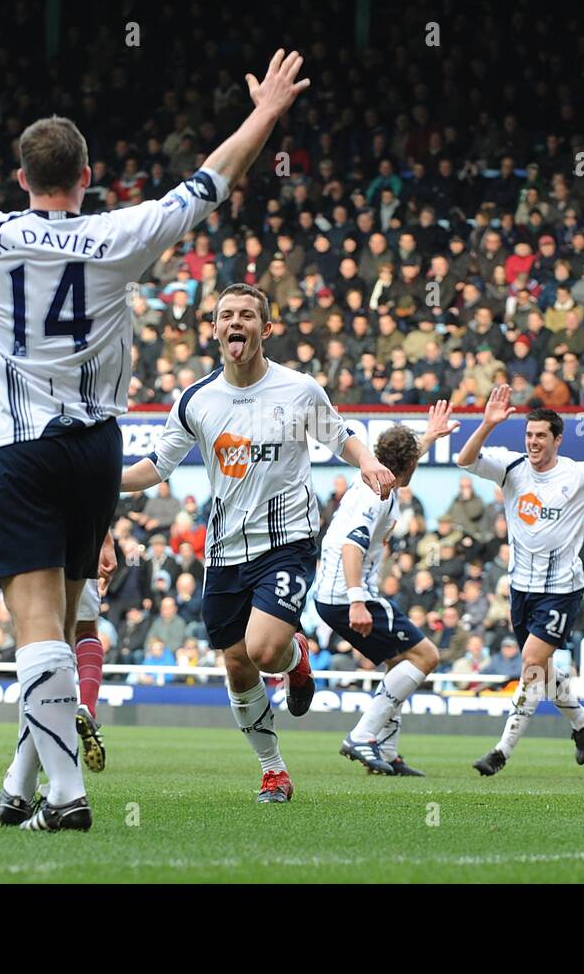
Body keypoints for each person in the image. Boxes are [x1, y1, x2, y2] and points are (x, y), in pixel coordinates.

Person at [0, 43, 316, 830]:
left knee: (38, 631)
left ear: (20, 179)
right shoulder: (121, 234)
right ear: (86, 178)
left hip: (21, 450)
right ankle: (19, 786)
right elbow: (212, 182)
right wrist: (266, 111)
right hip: (96, 454)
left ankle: (68, 796)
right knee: (70, 618)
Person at [120, 283, 394, 803]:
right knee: (237, 662)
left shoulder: (299, 389)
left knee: (265, 649)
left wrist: (367, 461)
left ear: (264, 329)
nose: (235, 323)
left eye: (247, 315)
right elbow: (157, 468)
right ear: (216, 329)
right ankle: (274, 770)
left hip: (286, 541)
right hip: (223, 551)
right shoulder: (195, 400)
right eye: (226, 316)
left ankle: (291, 658)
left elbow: (340, 435)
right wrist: (102, 478)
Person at [456, 387, 584, 777]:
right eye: (529, 435)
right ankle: (583, 719)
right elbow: (464, 459)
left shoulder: (579, 473)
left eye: (541, 436)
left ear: (557, 439)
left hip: (561, 590)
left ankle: (501, 751)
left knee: (532, 663)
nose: (533, 442)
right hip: (521, 588)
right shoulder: (511, 466)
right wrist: (487, 424)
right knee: (542, 667)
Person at [314, 405, 455, 776]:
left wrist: (428, 437)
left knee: (399, 662)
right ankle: (361, 736)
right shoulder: (376, 494)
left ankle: (387, 753)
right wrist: (358, 601)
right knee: (426, 657)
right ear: (408, 466)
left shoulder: (382, 473)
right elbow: (350, 546)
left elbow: (405, 456)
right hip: (347, 595)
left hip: (336, 596)